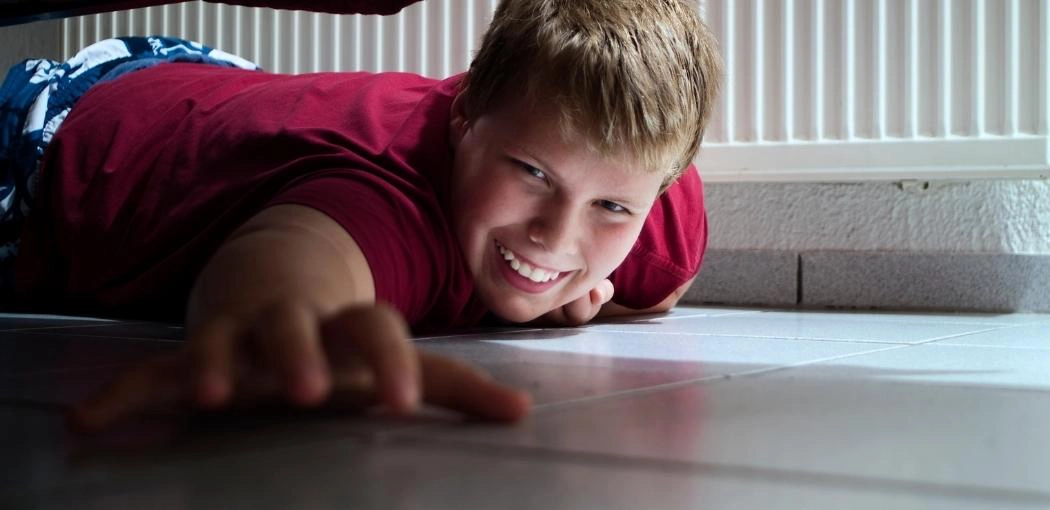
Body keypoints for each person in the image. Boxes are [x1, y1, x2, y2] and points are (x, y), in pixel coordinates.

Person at [0, 0, 723, 430]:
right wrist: (281, 333)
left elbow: (662, 272)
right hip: (60, 145)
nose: (558, 234)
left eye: (610, 207)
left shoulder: (650, 196)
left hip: (211, 85)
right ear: (464, 116)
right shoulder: (388, 201)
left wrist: (581, 289)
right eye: (531, 172)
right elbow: (294, 256)